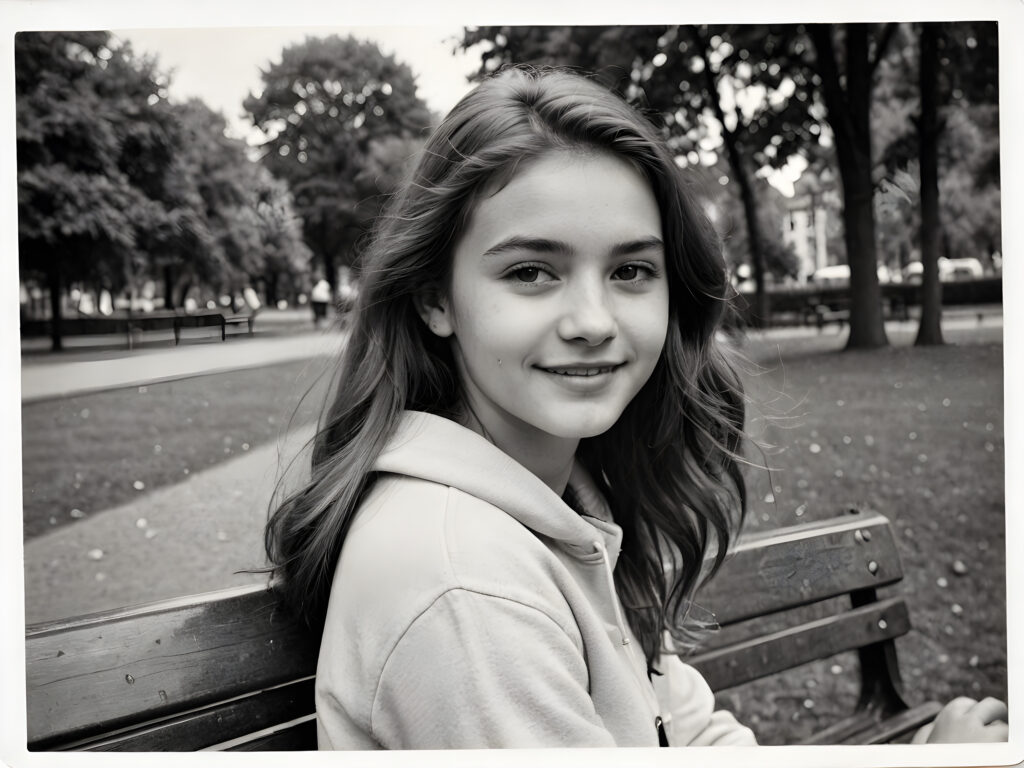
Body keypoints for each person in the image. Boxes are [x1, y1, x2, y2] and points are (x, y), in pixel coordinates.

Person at [264, 66, 1007, 749]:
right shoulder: (466, 585)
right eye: (531, 271)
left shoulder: (565, 499)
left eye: (630, 270)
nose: (594, 320)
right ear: (435, 298)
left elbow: (688, 733)